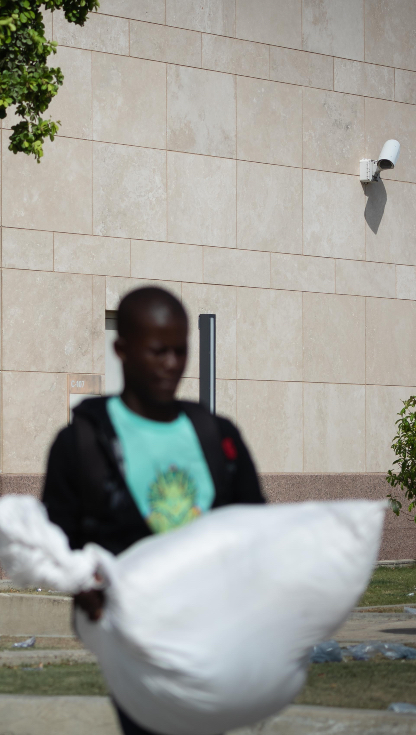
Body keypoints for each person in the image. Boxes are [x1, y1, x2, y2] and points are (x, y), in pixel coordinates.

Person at [41, 286, 264, 735]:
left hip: (212, 634)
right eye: (158, 351)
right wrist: (83, 587)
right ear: (121, 350)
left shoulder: (217, 436)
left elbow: (254, 527)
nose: (171, 364)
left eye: (180, 351)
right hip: (134, 642)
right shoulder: (83, 443)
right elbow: (56, 541)